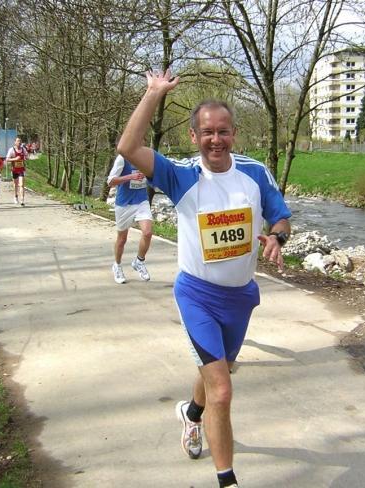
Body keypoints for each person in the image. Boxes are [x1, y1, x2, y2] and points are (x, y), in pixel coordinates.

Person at [117, 69, 291, 488]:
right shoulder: (181, 176)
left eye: (224, 132)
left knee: (218, 371)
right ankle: (227, 480)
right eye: (207, 132)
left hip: (241, 297)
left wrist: (276, 238)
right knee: (224, 390)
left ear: (234, 134)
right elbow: (128, 146)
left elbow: (280, 216)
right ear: (194, 137)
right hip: (197, 294)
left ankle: (191, 414)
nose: (216, 140)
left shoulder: (255, 172)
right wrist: (154, 94)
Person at [106, 154, 154, 284]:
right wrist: (131, 177)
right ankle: (117, 265)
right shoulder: (122, 158)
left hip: (141, 200)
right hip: (124, 203)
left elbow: (153, 175)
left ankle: (139, 261)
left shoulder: (146, 156)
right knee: (122, 240)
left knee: (148, 232)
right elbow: (110, 181)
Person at [6, 137, 28, 205]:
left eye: (20, 141)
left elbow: (27, 156)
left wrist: (25, 157)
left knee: (21, 185)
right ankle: (15, 196)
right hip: (14, 169)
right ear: (15, 142)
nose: (19, 142)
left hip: (21, 169)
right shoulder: (11, 150)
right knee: (15, 185)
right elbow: (7, 159)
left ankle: (22, 200)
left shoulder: (23, 149)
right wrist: (15, 159)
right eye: (18, 141)